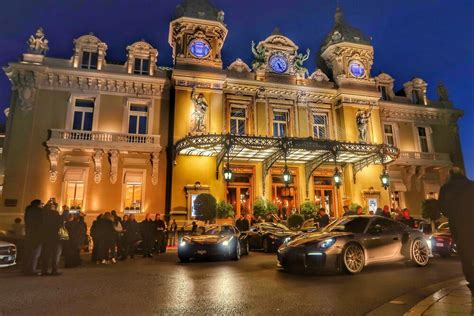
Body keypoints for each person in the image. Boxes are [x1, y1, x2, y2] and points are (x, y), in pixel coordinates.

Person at [438, 167, 474, 296]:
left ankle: (472, 281)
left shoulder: (446, 189)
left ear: (450, 175)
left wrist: (453, 215)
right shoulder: (471, 185)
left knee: (466, 255)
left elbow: (442, 208)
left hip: (459, 225)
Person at [40, 200, 69, 276]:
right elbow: (62, 218)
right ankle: (54, 270)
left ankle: (44, 270)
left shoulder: (43, 214)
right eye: (53, 206)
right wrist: (66, 211)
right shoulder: (53, 214)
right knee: (56, 254)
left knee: (46, 254)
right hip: (55, 237)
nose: (55, 207)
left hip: (46, 237)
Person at [23, 199, 43, 275]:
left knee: (28, 253)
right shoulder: (39, 212)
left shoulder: (28, 211)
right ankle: (31, 270)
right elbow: (42, 223)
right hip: (37, 235)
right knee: (35, 254)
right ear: (38, 204)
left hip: (29, 234)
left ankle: (26, 269)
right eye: (41, 204)